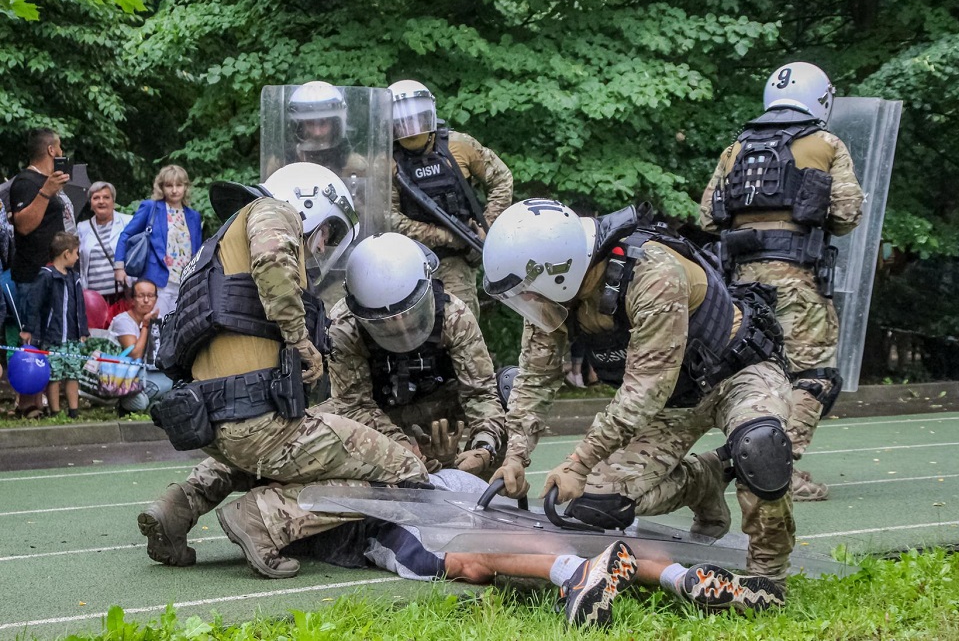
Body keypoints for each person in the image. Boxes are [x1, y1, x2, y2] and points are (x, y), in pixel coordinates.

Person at [481, 199, 794, 603]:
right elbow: (534, 380)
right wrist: (515, 457)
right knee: (593, 503)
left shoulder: (652, 272)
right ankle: (706, 480)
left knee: (760, 446)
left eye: (527, 292)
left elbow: (645, 389)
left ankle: (769, 577)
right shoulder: (551, 297)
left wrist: (578, 463)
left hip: (739, 371)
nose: (527, 302)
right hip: (675, 401)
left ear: (559, 271)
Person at [141, 162, 426, 580]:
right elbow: (273, 258)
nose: (322, 244)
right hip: (258, 424)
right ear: (308, 202)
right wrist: (299, 339)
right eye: (327, 231)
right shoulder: (273, 210)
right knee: (406, 472)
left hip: (208, 422)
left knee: (265, 453)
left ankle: (176, 508)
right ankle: (265, 518)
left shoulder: (215, 250)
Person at [288, 470, 782, 627]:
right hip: (444, 480)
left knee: (467, 556)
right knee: (550, 531)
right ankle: (681, 578)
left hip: (387, 512)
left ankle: (573, 574)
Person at [699, 62, 865, 502]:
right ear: (821, 98)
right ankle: (778, 470)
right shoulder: (826, 144)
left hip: (739, 282)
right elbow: (847, 214)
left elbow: (708, 217)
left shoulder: (735, 148)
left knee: (762, 372)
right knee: (815, 374)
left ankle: (750, 459)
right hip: (797, 279)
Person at [321, 232, 506, 473]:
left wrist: (484, 447)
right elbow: (354, 405)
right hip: (378, 419)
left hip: (440, 407)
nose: (399, 327)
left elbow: (480, 392)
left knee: (508, 388)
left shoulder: (454, 316)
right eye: (384, 322)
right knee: (320, 421)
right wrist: (403, 448)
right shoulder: (343, 326)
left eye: (408, 314)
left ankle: (482, 483)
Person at [388, 79, 513, 320]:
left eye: (416, 118)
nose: (410, 127)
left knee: (462, 323)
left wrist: (487, 225)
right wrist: (445, 236)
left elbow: (501, 179)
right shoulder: (387, 162)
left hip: (456, 259)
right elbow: (388, 218)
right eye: (402, 121)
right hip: (407, 260)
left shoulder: (458, 146)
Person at [8, 128, 70, 418]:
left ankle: (40, 400)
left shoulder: (50, 184)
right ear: (51, 150)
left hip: (51, 273)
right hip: (31, 274)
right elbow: (23, 225)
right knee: (30, 335)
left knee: (46, 336)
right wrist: (46, 191)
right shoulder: (25, 181)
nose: (62, 152)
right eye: (60, 147)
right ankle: (27, 403)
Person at [114, 165, 202, 316]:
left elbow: (198, 251)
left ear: (186, 187)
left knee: (179, 326)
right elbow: (126, 235)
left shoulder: (193, 216)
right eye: (169, 185)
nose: (174, 190)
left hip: (184, 283)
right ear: (161, 187)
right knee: (155, 325)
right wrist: (119, 267)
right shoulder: (151, 207)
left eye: (179, 185)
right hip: (156, 281)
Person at [20, 232, 89, 418]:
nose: (77, 257)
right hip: (52, 337)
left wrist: (83, 330)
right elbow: (33, 304)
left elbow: (80, 306)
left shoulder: (74, 278)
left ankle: (74, 411)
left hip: (72, 337)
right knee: (54, 375)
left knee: (73, 373)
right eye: (76, 253)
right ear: (66, 253)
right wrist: (28, 329)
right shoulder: (46, 276)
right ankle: (55, 411)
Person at [109, 279, 172, 413]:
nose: (146, 300)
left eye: (150, 296)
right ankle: (127, 402)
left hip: (151, 373)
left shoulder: (159, 319)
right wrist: (146, 326)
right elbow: (135, 354)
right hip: (126, 376)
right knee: (140, 403)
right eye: (141, 296)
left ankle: (154, 403)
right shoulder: (123, 321)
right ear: (132, 300)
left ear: (156, 299)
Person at [78, 181, 133, 305]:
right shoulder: (82, 228)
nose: (101, 201)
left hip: (122, 294)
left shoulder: (128, 222)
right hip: (93, 298)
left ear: (113, 201)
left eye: (106, 197)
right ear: (91, 203)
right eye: (96, 198)